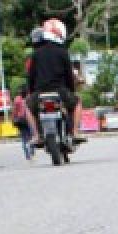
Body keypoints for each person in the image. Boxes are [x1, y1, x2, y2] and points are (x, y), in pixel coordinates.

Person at [25, 18, 78, 147]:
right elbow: (69, 75)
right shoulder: (62, 52)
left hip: (40, 92)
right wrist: (72, 90)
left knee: (28, 108)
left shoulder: (36, 54)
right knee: (77, 103)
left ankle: (37, 136)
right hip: (60, 90)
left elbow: (31, 76)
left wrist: (31, 92)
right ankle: (75, 133)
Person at [12, 86, 33, 160]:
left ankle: (27, 155)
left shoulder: (16, 99)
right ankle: (32, 152)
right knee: (31, 136)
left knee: (24, 138)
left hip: (20, 120)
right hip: (29, 119)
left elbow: (14, 111)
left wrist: (13, 119)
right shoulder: (29, 98)